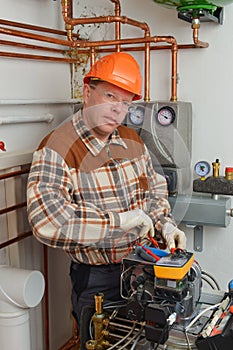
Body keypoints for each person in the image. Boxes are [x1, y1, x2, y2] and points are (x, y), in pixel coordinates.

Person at [27, 52, 186, 349]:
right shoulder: (57, 147)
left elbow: (153, 191)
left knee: (145, 343)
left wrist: (165, 224)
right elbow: (46, 222)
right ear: (88, 92)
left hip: (143, 269)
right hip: (97, 279)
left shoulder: (132, 140)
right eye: (110, 96)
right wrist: (120, 222)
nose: (117, 110)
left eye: (125, 103)